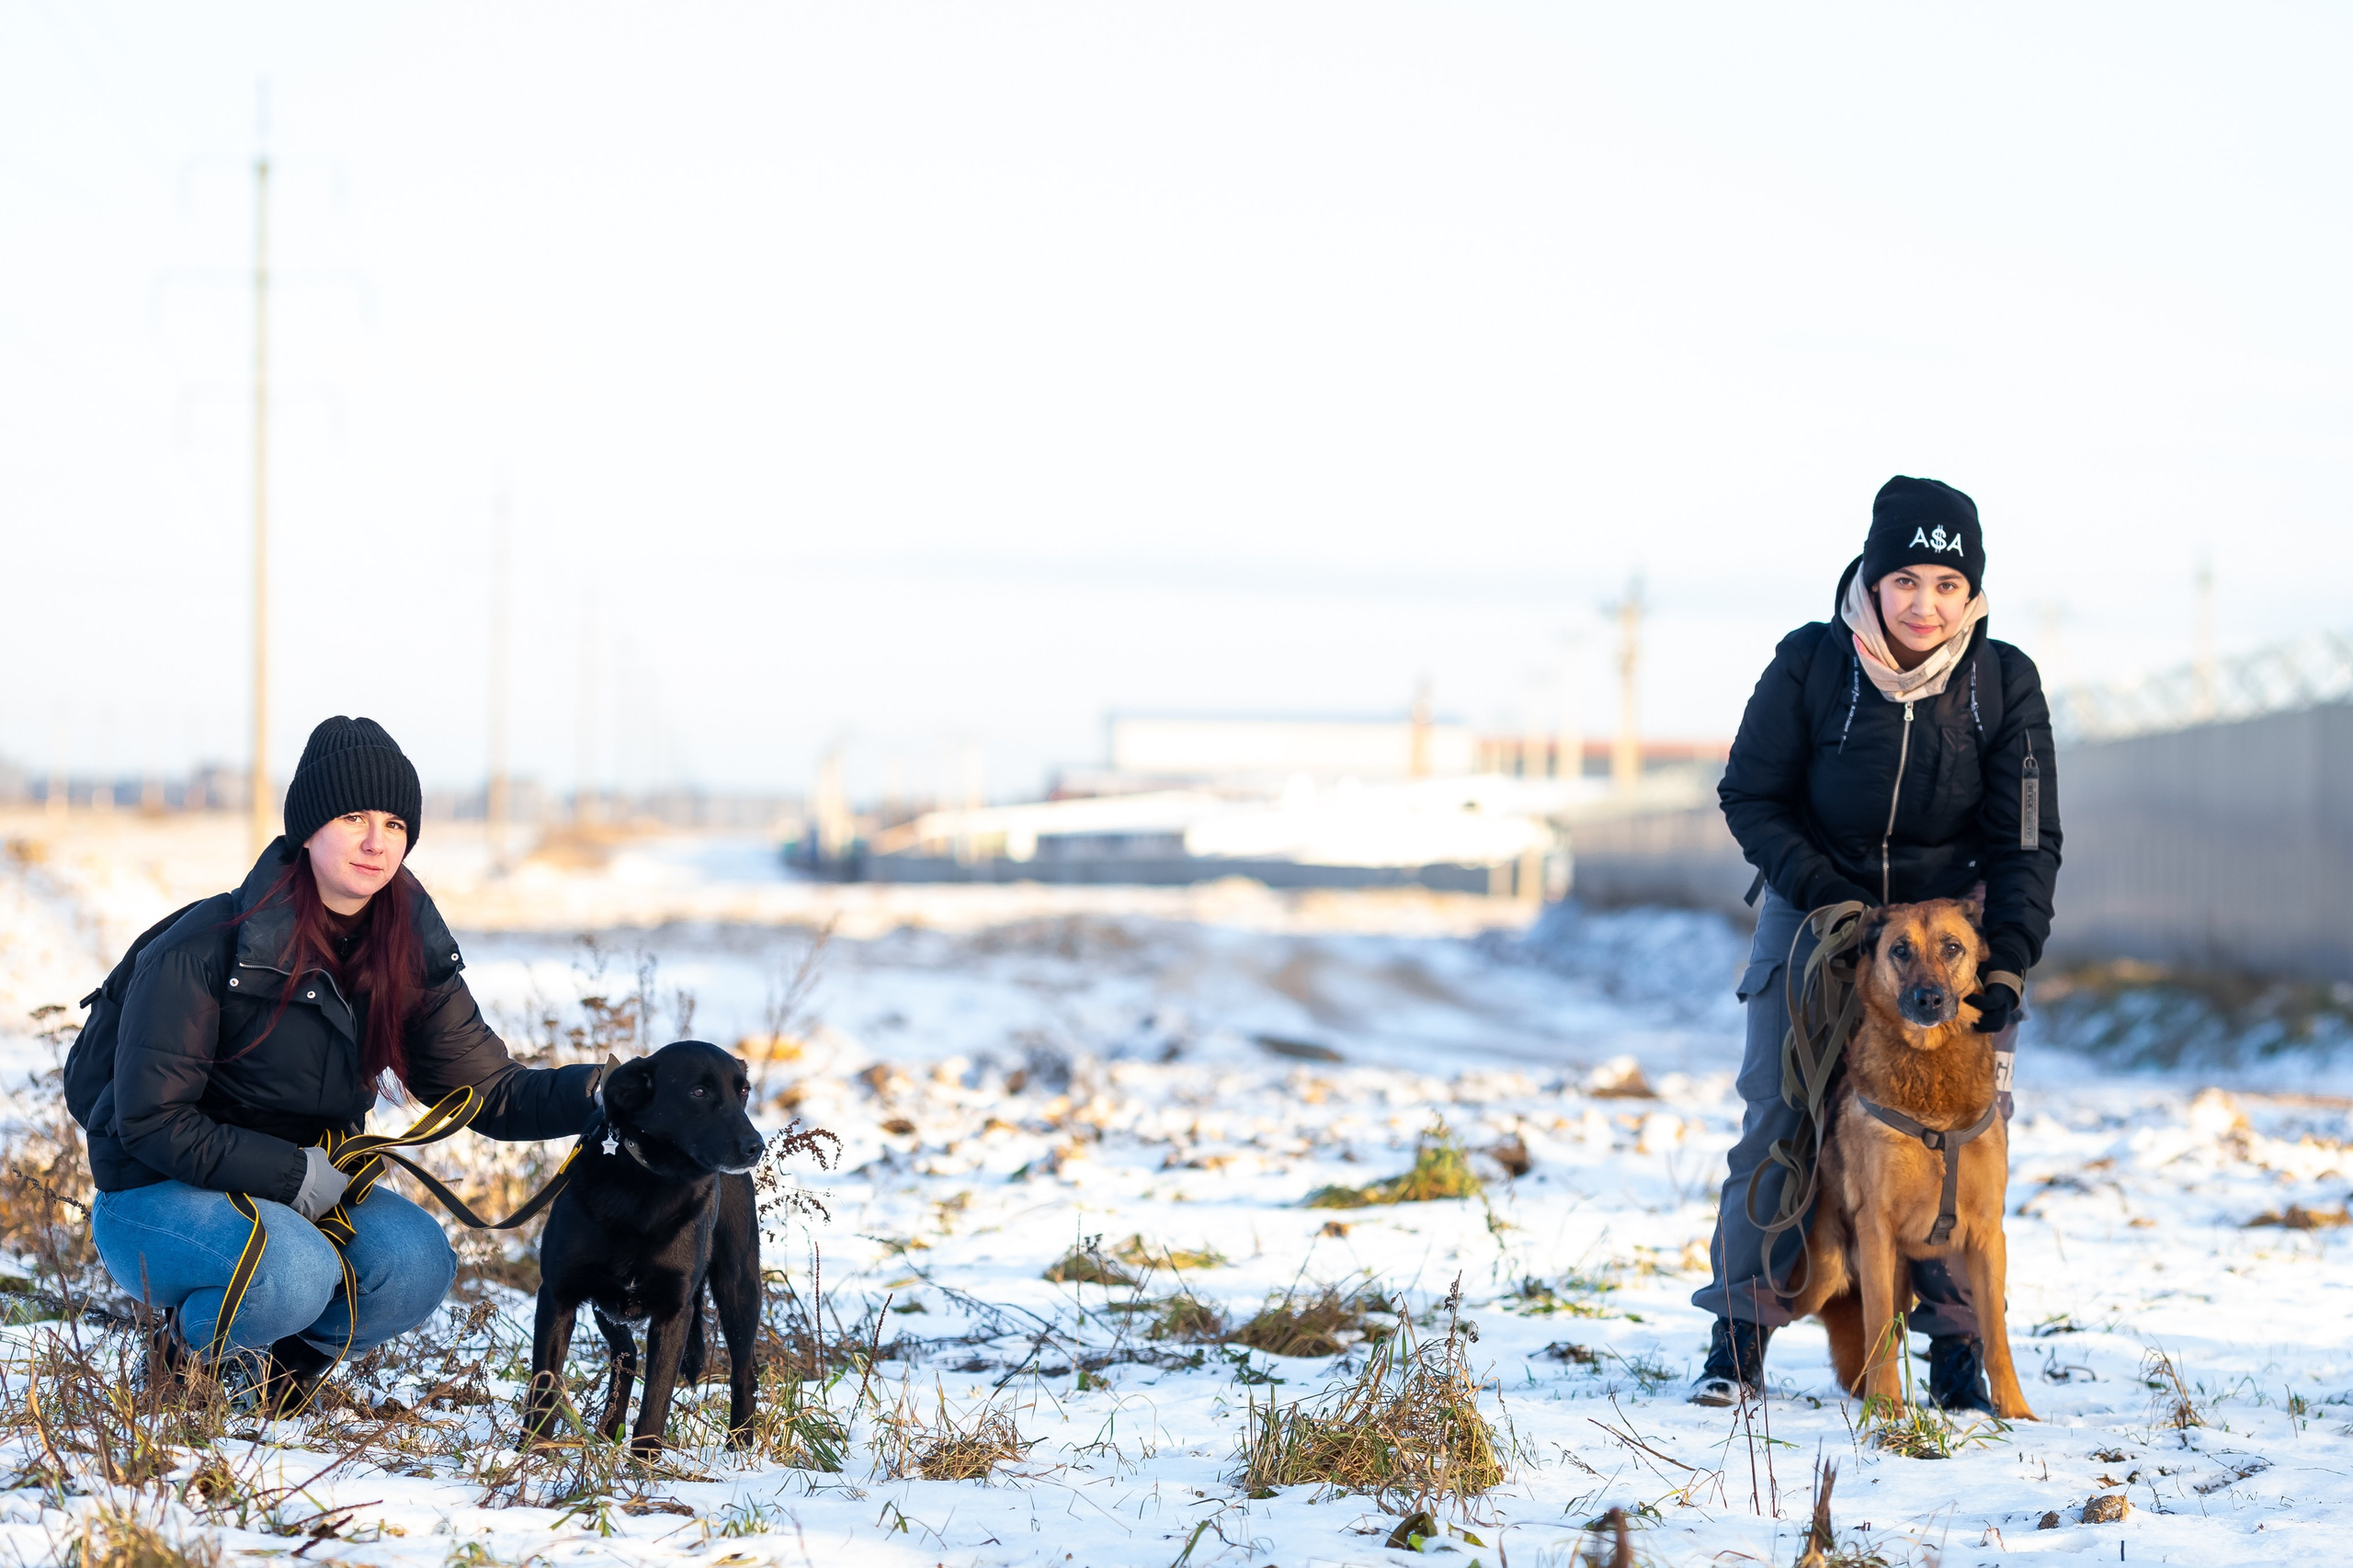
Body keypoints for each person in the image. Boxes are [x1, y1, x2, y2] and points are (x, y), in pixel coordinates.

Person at [86, 717, 601, 1407]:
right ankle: (187, 1360)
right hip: (154, 1195)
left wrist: (604, 1091)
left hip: (301, 1193)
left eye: (394, 823)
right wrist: (294, 1172)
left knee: (415, 1263)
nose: (375, 841)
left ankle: (277, 1381)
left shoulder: (404, 950)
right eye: (353, 816)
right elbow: (150, 1121)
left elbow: (493, 1094)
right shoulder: (206, 946)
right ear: (307, 828)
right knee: (294, 1271)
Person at [1691, 476, 2061, 1411]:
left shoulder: (2002, 681)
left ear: (1969, 591)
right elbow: (1750, 794)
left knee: (1962, 1133)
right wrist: (1824, 893)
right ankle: (1737, 1335)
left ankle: (1954, 1356)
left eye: (1946, 582)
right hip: (1820, 912)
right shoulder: (1811, 663)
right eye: (1906, 579)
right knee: (1782, 1111)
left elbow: (2026, 836)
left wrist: (2009, 953)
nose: (1924, 603)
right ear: (1872, 577)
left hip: (1948, 931)